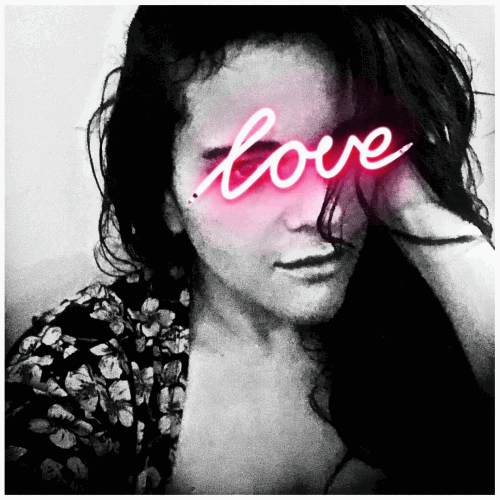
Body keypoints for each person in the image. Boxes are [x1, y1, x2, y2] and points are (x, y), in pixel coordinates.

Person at [5, 6, 494, 494]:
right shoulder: (84, 365)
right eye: (247, 170)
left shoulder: (422, 308)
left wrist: (419, 214)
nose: (318, 214)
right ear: (166, 196)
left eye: (344, 149)